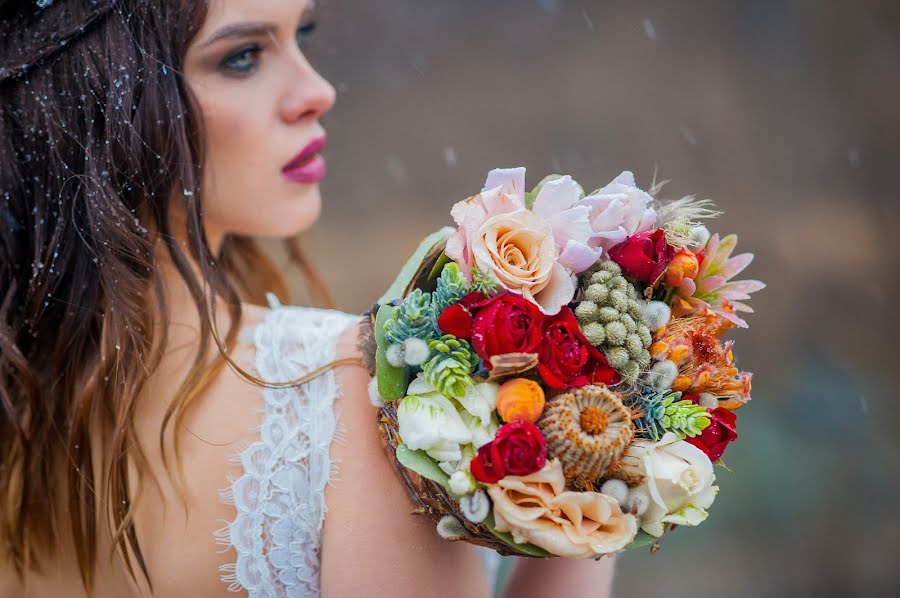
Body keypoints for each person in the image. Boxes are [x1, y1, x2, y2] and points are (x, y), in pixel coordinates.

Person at [0, 0, 617, 596]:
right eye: (242, 57)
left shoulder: (20, 397)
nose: (317, 91)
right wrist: (607, 483)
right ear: (105, 104)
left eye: (303, 36)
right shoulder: (348, 386)